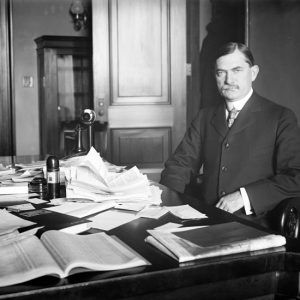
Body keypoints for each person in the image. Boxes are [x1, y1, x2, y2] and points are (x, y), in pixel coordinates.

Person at [160, 42, 300, 218]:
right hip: (205, 218)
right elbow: (180, 165)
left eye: (237, 70)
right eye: (221, 72)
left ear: (254, 73)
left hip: (255, 224)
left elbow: (296, 176)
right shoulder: (205, 116)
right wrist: (165, 202)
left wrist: (244, 196)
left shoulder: (280, 117)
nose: (228, 80)